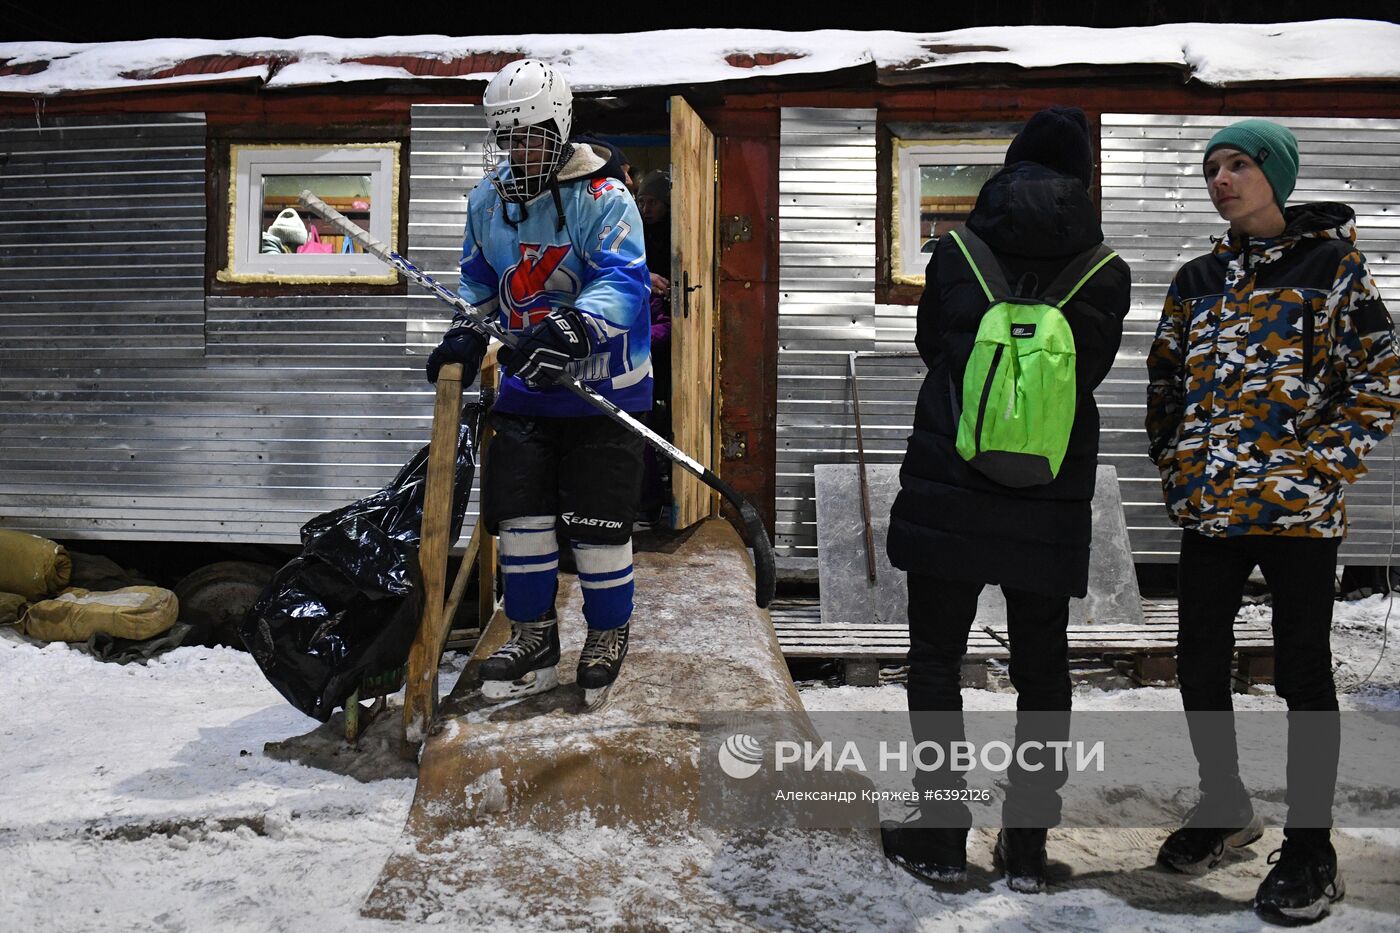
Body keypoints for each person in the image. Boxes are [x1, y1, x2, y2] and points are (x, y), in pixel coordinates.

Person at [1146, 118, 1400, 924]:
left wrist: (1314, 464)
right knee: (1198, 661)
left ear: (1276, 177)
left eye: (1240, 164)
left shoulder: (1334, 269)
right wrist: (1177, 466)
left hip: (1298, 516)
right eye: (1213, 166)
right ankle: (1224, 803)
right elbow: (1164, 384)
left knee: (1302, 674)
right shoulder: (1195, 279)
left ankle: (1312, 844)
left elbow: (1382, 381)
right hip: (1211, 510)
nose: (1221, 178)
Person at [882, 107, 1130, 892]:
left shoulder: (957, 252)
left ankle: (941, 833)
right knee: (1045, 670)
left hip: (950, 484)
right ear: (1081, 180)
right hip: (1048, 496)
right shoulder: (1106, 269)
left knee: (934, 662)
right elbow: (1087, 376)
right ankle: (1025, 843)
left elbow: (934, 351)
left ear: (1010, 169)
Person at [425, 59, 652, 705]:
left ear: (560, 126)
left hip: (605, 389)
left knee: (599, 527)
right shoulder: (486, 201)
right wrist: (467, 333)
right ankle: (534, 635)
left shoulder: (605, 198)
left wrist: (578, 328)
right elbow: (478, 283)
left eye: (533, 135)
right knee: (520, 519)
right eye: (509, 137)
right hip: (528, 391)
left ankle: (607, 634)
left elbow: (625, 279)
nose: (520, 150)